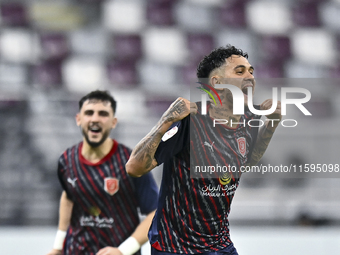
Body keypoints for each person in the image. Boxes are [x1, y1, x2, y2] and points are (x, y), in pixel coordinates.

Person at [125, 45, 282, 255]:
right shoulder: (190, 121)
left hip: (220, 243)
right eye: (239, 71)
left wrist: (270, 125)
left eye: (251, 71)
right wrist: (165, 121)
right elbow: (134, 168)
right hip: (176, 246)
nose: (250, 77)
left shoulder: (249, 118)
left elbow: (246, 160)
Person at [47, 90, 159, 255]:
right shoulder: (66, 160)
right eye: (89, 113)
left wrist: (123, 250)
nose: (95, 119)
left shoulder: (132, 163)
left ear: (114, 122)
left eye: (103, 114)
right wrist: (58, 246)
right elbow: (68, 197)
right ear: (78, 119)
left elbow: (155, 213)